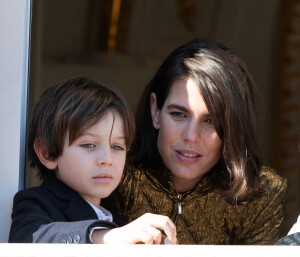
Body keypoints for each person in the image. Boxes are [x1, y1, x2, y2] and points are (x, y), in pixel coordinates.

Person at [103, 39, 287, 245]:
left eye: (210, 121)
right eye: (179, 114)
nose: (191, 136)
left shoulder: (261, 192)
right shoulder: (112, 169)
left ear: (232, 126)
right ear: (156, 111)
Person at [8, 77, 177, 244]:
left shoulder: (116, 221)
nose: (107, 159)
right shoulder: (36, 202)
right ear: (48, 153)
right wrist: (106, 237)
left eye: (117, 147)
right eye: (89, 145)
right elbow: (31, 237)